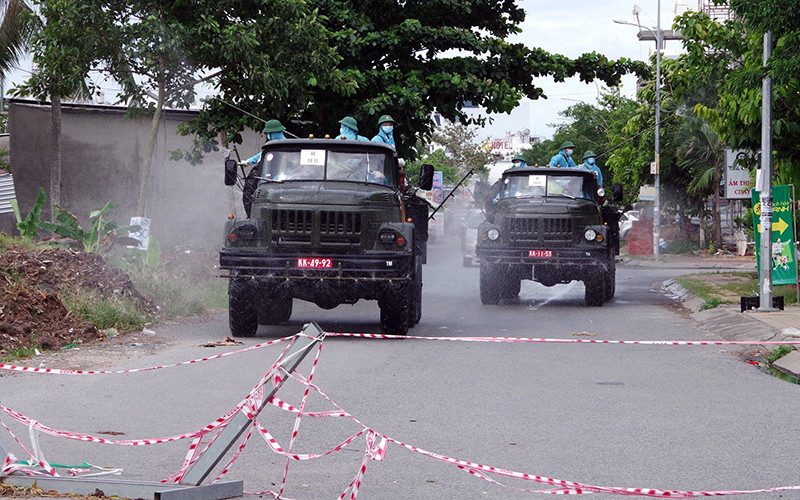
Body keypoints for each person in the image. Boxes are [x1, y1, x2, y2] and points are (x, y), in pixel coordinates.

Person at [242, 119, 287, 217]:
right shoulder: (278, 146)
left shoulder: (281, 147)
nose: (267, 136)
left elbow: (262, 155)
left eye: (267, 134)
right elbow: (262, 154)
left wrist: (248, 161)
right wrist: (249, 161)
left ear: (271, 134)